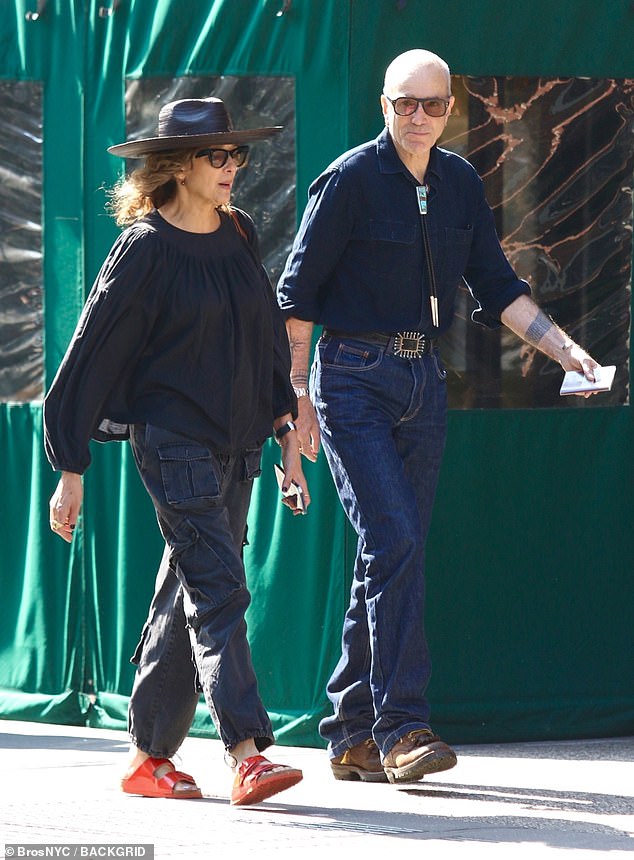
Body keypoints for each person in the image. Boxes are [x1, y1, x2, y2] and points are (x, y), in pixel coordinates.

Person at [277, 49, 599, 785]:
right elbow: (297, 296)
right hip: (351, 376)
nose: (417, 117)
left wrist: (565, 350)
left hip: (423, 376)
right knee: (393, 539)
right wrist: (297, 400)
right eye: (404, 104)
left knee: (394, 551)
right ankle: (402, 728)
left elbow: (497, 282)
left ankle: (349, 729)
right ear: (382, 105)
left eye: (432, 104)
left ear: (450, 107)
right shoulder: (349, 179)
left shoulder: (459, 182)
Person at [44, 96, 309, 806]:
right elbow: (91, 355)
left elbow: (259, 339)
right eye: (214, 156)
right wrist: (71, 468)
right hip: (174, 446)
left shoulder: (241, 233)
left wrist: (285, 425)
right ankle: (247, 753)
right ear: (176, 167)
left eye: (236, 154)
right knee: (220, 588)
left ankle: (147, 759)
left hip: (236, 445)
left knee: (185, 593)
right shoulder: (145, 246)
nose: (231, 168)